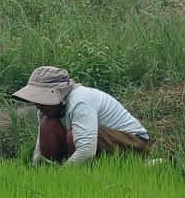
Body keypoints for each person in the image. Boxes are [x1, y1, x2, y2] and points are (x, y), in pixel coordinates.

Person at [11, 65, 153, 165]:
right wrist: (36, 168)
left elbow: (86, 150)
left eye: (41, 99)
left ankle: (82, 173)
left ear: (58, 93)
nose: (38, 105)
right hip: (97, 144)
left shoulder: (80, 101)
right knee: (48, 126)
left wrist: (61, 178)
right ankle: (69, 170)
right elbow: (40, 145)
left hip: (133, 143)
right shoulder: (45, 110)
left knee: (74, 135)